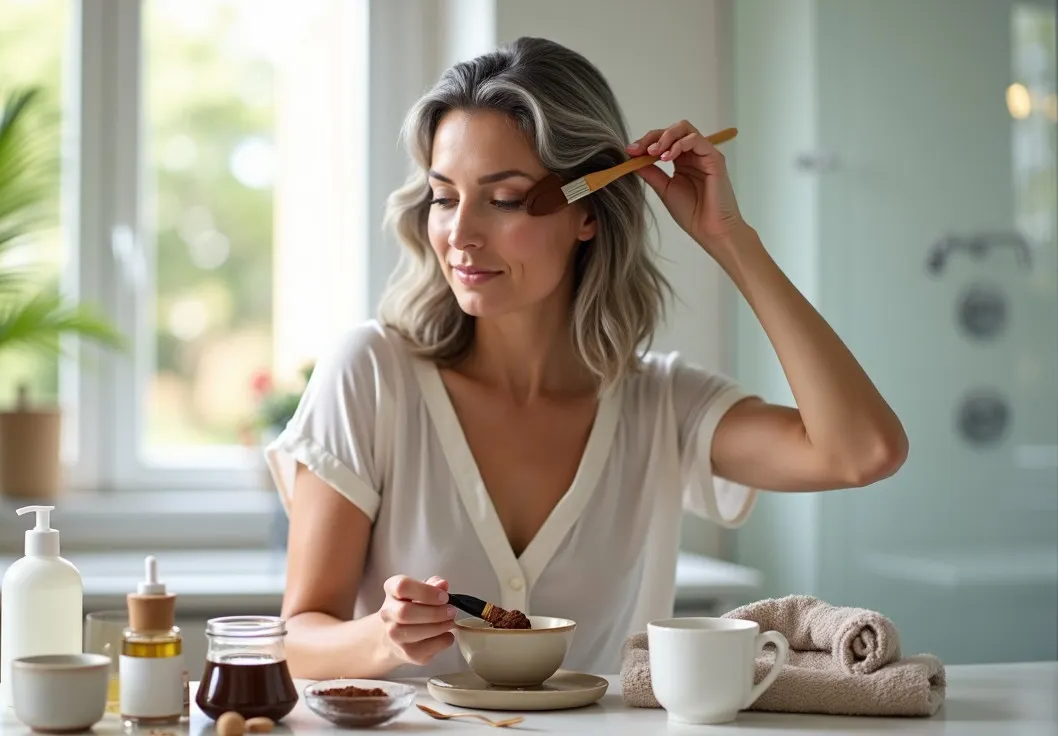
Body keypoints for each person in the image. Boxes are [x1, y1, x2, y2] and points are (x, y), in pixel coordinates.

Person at [264, 37, 907, 680]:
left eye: (506, 198)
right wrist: (382, 639)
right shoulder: (372, 375)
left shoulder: (662, 404)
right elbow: (296, 638)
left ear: (587, 215)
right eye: (443, 196)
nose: (460, 234)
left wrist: (730, 240)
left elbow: (863, 451)